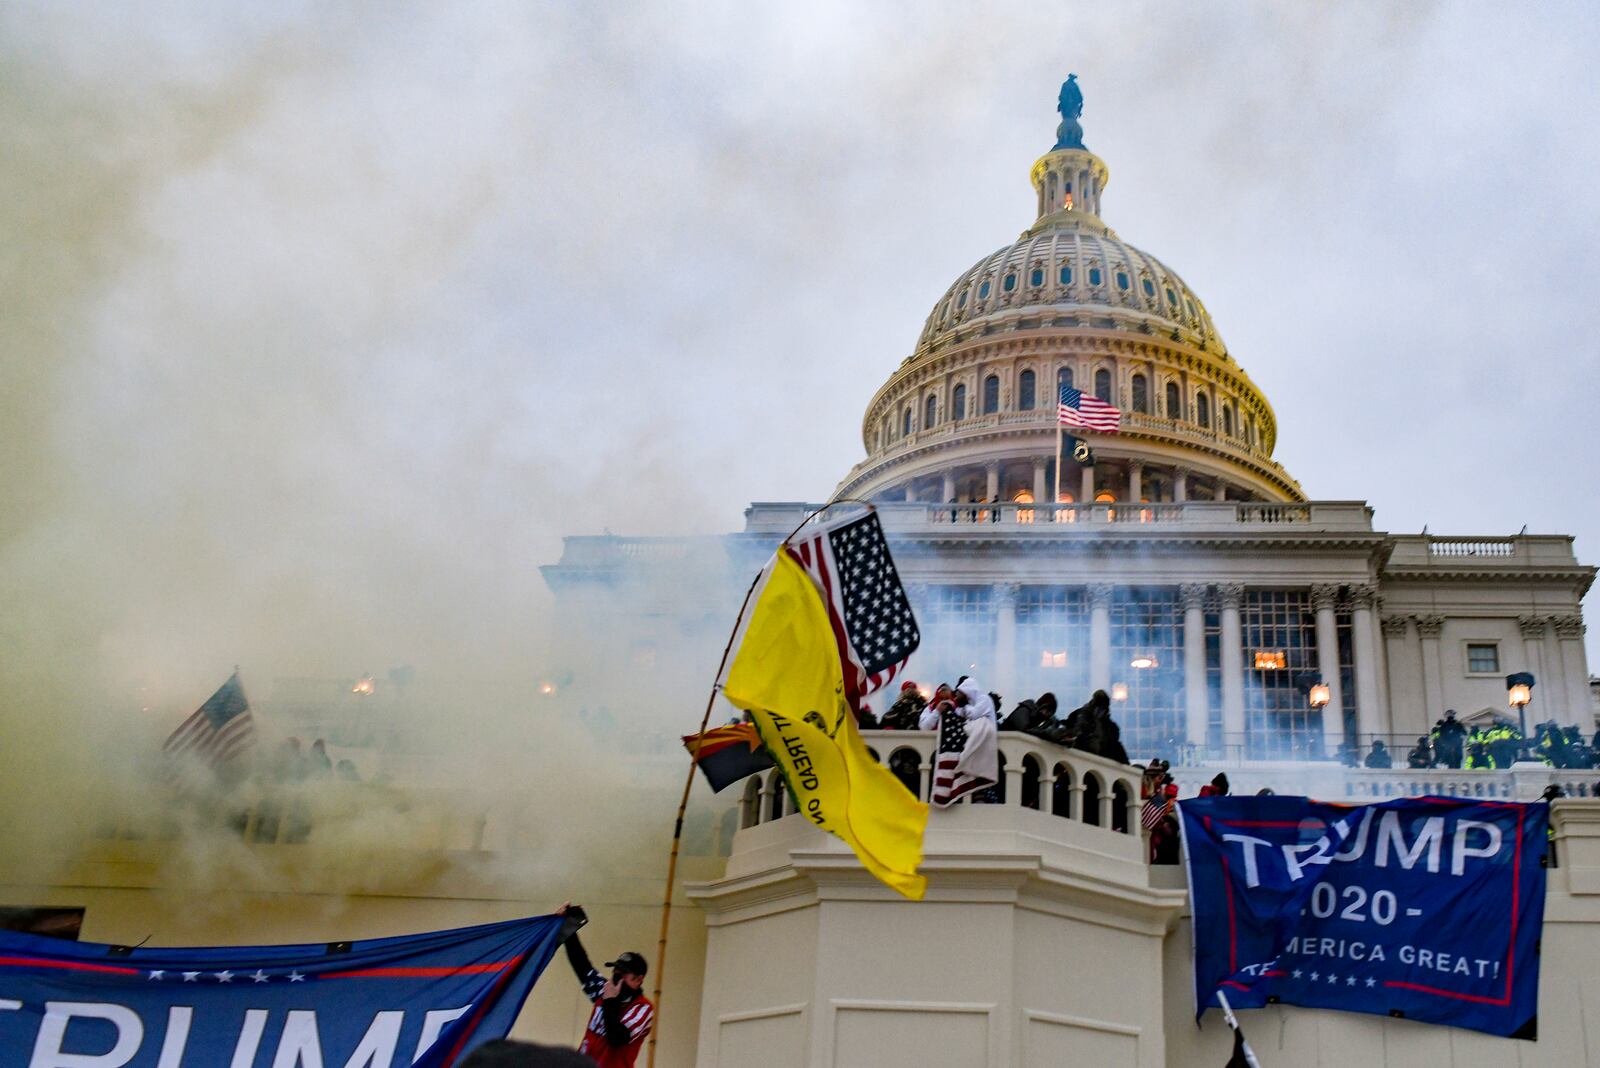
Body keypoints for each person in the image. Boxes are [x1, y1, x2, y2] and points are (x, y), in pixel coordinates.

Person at [555, 905, 653, 1067]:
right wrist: (568, 925)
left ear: (638, 980)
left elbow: (617, 1039)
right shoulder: (606, 989)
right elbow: (582, 966)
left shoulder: (643, 1008)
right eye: (616, 970)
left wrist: (610, 1001)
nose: (617, 976)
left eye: (624, 973)